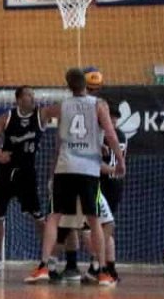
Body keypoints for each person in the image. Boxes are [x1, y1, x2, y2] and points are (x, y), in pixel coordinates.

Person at [31, 68, 125, 285]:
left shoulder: (62, 106)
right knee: (94, 221)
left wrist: (43, 123)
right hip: (88, 169)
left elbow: (42, 114)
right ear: (87, 84)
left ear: (68, 86)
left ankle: (44, 265)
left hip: (65, 168)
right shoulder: (99, 105)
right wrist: (119, 160)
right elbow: (111, 134)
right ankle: (101, 270)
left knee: (54, 217)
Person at [0, 86, 43, 276]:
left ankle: (48, 258)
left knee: (38, 216)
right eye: (28, 95)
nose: (32, 97)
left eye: (33, 95)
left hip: (27, 172)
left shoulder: (40, 115)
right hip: (6, 172)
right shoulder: (7, 117)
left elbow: (59, 109)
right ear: (18, 99)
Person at [83, 69, 123, 284]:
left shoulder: (111, 134)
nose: (112, 120)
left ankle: (100, 266)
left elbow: (101, 163)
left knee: (99, 226)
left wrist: (113, 167)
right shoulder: (105, 132)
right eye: (111, 117)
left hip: (103, 182)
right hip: (98, 180)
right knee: (96, 227)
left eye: (114, 117)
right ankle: (101, 267)